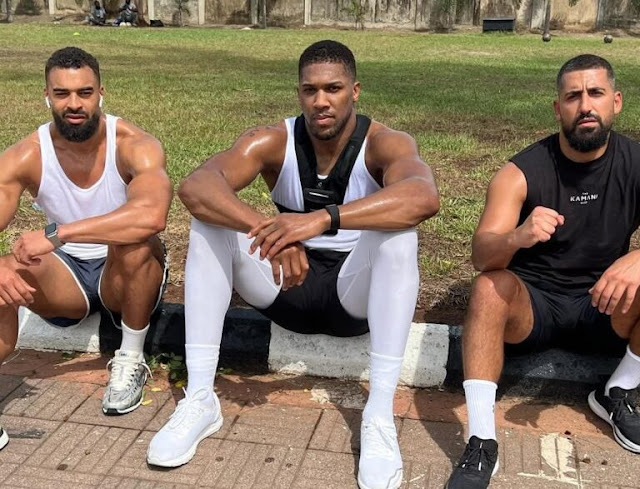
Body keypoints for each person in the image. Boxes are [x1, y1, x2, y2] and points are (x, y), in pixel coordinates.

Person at [147, 40, 439, 489]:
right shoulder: (272, 140)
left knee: (399, 236)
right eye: (310, 90)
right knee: (209, 223)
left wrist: (319, 220)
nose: (321, 101)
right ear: (299, 93)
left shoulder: (385, 143)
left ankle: (379, 416)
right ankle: (201, 398)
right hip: (285, 287)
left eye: (333, 89)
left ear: (355, 91)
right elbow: (197, 186)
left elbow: (423, 197)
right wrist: (270, 231)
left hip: (353, 296)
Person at [446, 53, 640, 489]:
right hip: (535, 309)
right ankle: (481, 440)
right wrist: (517, 237)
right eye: (573, 96)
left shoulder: (635, 163)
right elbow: (482, 255)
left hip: (604, 304)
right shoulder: (520, 172)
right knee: (488, 287)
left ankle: (617, 391)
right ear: (558, 108)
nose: (585, 106)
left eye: (596, 93)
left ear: (616, 101)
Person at [0, 47, 171, 450]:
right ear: (46, 96)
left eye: (84, 93)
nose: (74, 104)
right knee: (5, 272)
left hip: (124, 274)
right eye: (62, 94)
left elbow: (152, 216)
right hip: (66, 278)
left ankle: (130, 358)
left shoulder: (134, 144)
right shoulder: (26, 154)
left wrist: (60, 233)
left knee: (134, 241)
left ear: (101, 94)